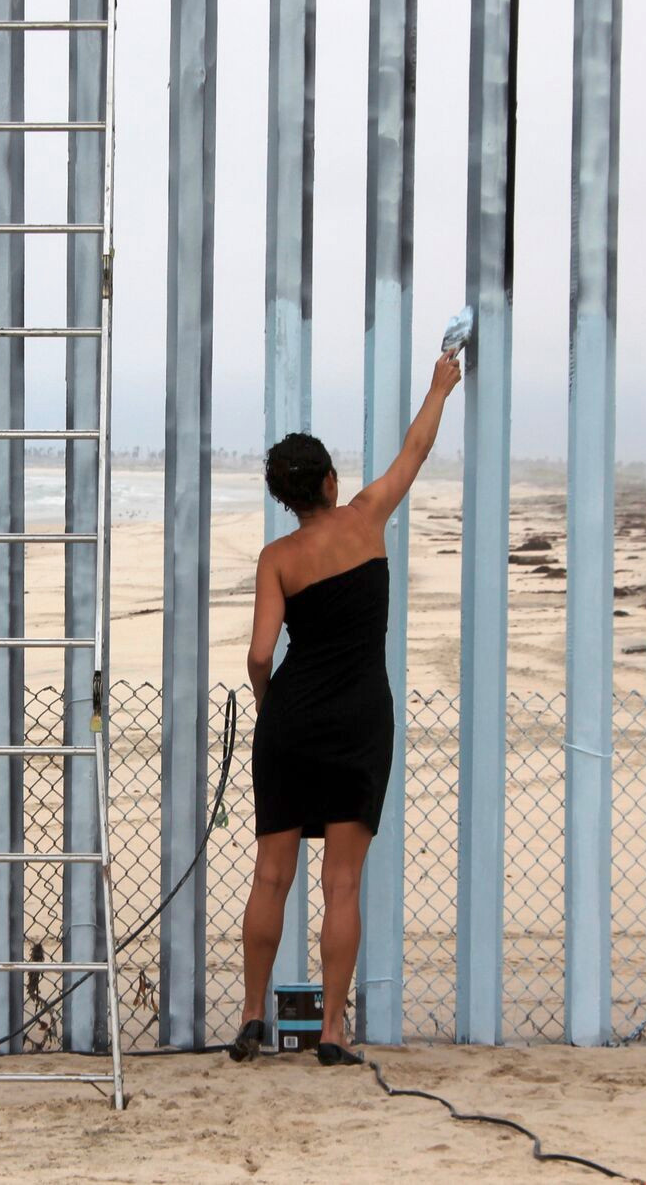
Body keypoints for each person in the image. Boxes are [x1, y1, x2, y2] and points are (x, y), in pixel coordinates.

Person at [229, 348, 462, 1065]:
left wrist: (272, 710)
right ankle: (333, 1029)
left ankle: (250, 1018)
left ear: (286, 497)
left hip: (292, 721)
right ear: (330, 481)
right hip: (361, 717)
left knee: (272, 873)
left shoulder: (279, 557)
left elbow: (261, 654)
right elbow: (416, 449)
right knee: (343, 881)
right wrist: (441, 382)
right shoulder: (367, 517)